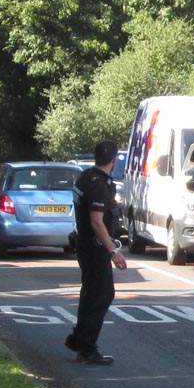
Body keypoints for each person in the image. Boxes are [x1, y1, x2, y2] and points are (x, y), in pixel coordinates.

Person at [64, 140, 127, 365]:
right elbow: (96, 222)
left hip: (86, 245)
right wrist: (113, 252)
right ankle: (86, 346)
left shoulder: (85, 177)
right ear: (113, 160)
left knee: (92, 294)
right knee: (100, 295)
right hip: (95, 247)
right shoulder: (98, 185)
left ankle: (81, 342)